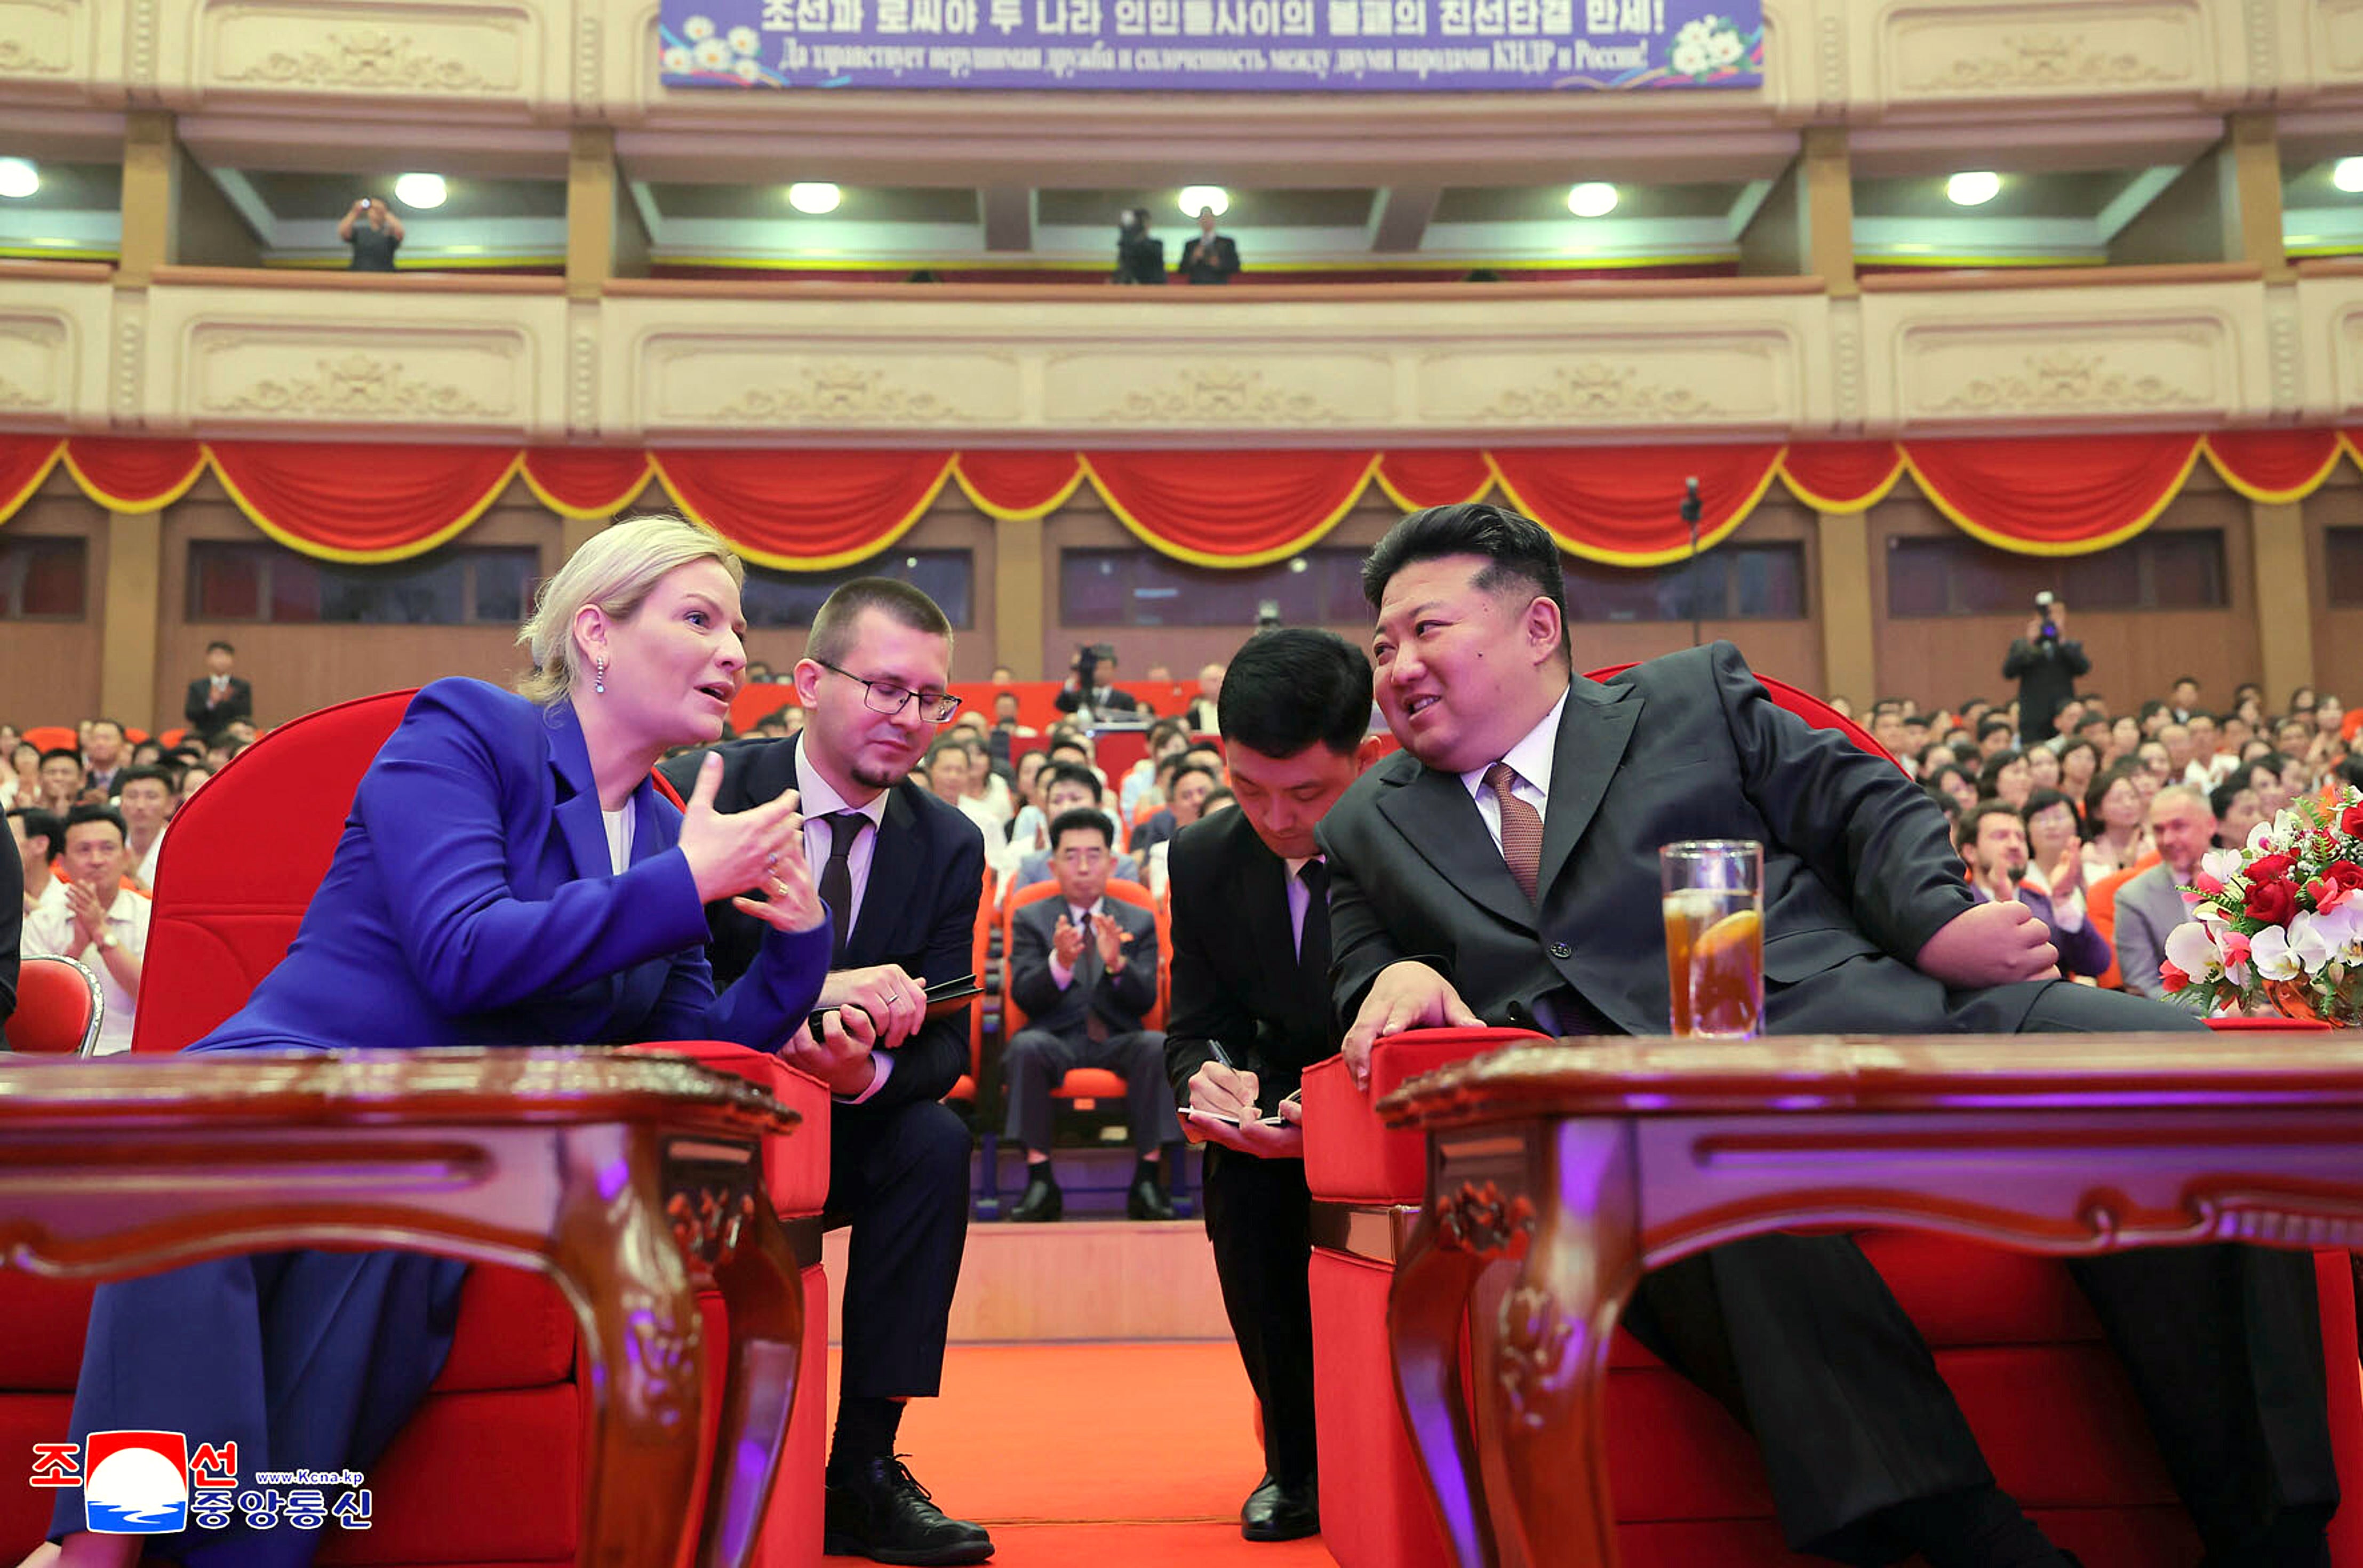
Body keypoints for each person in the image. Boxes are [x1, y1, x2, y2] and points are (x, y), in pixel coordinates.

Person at [1319, 501, 2335, 1568]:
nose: (1395, 666)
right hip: (1655, 1126)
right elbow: (1358, 968)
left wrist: (1937, 922)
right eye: (1381, 645)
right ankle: (1974, 1542)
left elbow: (1866, 807)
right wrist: (1398, 968)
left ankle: (2272, 1534)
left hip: (1877, 1021)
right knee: (1709, 1181)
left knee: (2200, 1085)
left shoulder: (1689, 699)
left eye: (1425, 631)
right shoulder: (1370, 823)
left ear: (1535, 629)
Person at [41, 514, 835, 1568]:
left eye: (740, 629)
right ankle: (104, 1544)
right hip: (295, 1082)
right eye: (699, 618)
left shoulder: (656, 830)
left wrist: (796, 949)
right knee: (190, 1176)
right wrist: (684, 886)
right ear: (595, 635)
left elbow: (682, 1047)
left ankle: (225, 1556)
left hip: (442, 1146)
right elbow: (463, 950)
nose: (737, 652)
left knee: (372, 1283)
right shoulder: (468, 731)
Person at [657, 578, 992, 1567]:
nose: (911, 719)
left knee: (933, 1138)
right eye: (885, 688)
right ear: (808, 681)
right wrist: (814, 988)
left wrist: (860, 1080)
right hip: (703, 1122)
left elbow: (945, 1046)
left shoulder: (947, 843)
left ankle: (863, 1470)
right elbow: (648, 978)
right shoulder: (703, 783)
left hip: (839, 1130)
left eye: (933, 699)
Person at [1166, 627, 1370, 1543]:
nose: (1278, 819)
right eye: (1250, 789)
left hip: (1388, 1090)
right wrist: (1208, 1074)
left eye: (1308, 794)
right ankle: (1296, 1463)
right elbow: (1195, 1020)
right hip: (1274, 1107)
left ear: (1367, 759)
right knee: (1242, 1183)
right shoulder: (1204, 857)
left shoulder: (1423, 839)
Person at [1002, 808, 1179, 1222]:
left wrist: (1117, 964)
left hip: (1118, 1039)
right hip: (1055, 1040)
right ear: (1053, 865)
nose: (1084, 866)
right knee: (1024, 1046)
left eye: (1094, 855)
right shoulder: (1031, 917)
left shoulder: (1137, 918)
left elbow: (1146, 1001)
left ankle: (1149, 1179)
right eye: (1072, 855)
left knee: (1157, 1046)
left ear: (1112, 863)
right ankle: (1040, 1179)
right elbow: (1024, 996)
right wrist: (1059, 964)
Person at [22, 803, 150, 1054]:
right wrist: (76, 948)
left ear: (126, 858)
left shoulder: (149, 917)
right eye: (84, 850)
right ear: (63, 862)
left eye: (108, 848)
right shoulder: (41, 923)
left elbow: (153, 999)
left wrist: (101, 933)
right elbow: (34, 1014)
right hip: (58, 1059)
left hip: (135, 1055)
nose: (96, 861)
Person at [1956, 801, 2109, 980]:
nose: (2014, 845)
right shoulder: (1959, 906)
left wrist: (2063, 901)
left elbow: (2096, 964)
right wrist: (2004, 904)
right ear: (1970, 852)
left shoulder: (2042, 903)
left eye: (2020, 837)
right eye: (2000, 836)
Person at [2112, 783, 2216, 1003]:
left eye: (2179, 827)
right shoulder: (2133, 898)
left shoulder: (2248, 875)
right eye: (2159, 830)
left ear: (2210, 825)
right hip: (2184, 1027)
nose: (2167, 839)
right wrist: (2221, 1012)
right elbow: (2142, 989)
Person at [2002, 599, 2088, 744]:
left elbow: (2083, 668)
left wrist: (2062, 642)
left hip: (2063, 714)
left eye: (2058, 612)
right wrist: (2031, 644)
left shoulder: (2070, 645)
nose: (2053, 617)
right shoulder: (2022, 645)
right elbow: (2008, 672)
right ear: (2037, 616)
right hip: (2033, 716)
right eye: (2049, 613)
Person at [113, 764, 175, 889]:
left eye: (151, 797)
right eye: (132, 796)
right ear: (120, 803)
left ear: (170, 804)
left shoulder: (178, 850)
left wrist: (134, 880)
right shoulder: (106, 848)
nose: (140, 805)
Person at [1055, 643, 1143, 719]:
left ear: (1114, 670)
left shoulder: (1125, 699)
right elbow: (1061, 705)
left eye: (1106, 668)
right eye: (1098, 668)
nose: (1101, 672)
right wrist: (1073, 680)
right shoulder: (1080, 696)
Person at [185, 639, 253, 735]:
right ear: (208, 659)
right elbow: (191, 715)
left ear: (232, 660)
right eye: (217, 656)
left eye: (225, 655)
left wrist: (226, 700)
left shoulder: (242, 686)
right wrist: (211, 703)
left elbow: (246, 714)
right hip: (204, 735)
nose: (221, 660)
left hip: (233, 736)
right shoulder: (197, 686)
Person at [338, 196, 405, 272]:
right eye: (372, 209)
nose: (375, 211)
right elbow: (343, 232)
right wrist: (355, 211)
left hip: (386, 277)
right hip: (359, 276)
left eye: (377, 210)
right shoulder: (360, 232)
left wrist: (384, 211)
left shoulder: (391, 232)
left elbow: (400, 233)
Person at [1176, 206, 1241, 284]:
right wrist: (1193, 258)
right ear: (1199, 222)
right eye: (1203, 219)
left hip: (1220, 286)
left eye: (1209, 219)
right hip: (1196, 287)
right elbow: (1182, 270)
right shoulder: (1191, 244)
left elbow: (1236, 267)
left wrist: (1218, 263)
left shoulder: (1227, 243)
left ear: (1214, 221)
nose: (1206, 222)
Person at [1112, 207, 1162, 285]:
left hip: (1152, 286)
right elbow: (1123, 265)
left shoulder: (1156, 245)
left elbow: (1149, 255)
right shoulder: (1126, 245)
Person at [78, 719, 126, 798]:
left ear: (122, 745)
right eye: (94, 738)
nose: (100, 743)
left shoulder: (130, 780)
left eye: (107, 738)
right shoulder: (80, 778)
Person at [1185, 662, 1224, 731]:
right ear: (1202, 685)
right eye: (1214, 680)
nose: (1220, 684)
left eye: (1222, 679)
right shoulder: (1194, 715)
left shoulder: (1239, 712)